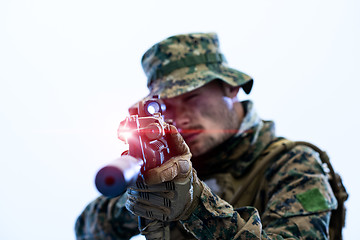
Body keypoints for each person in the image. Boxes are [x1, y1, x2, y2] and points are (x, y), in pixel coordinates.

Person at [75, 33, 342, 239]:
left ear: (230, 88)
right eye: (166, 107)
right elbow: (86, 228)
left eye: (192, 98)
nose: (180, 119)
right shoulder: (175, 165)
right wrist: (138, 200)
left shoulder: (293, 164)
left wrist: (196, 206)